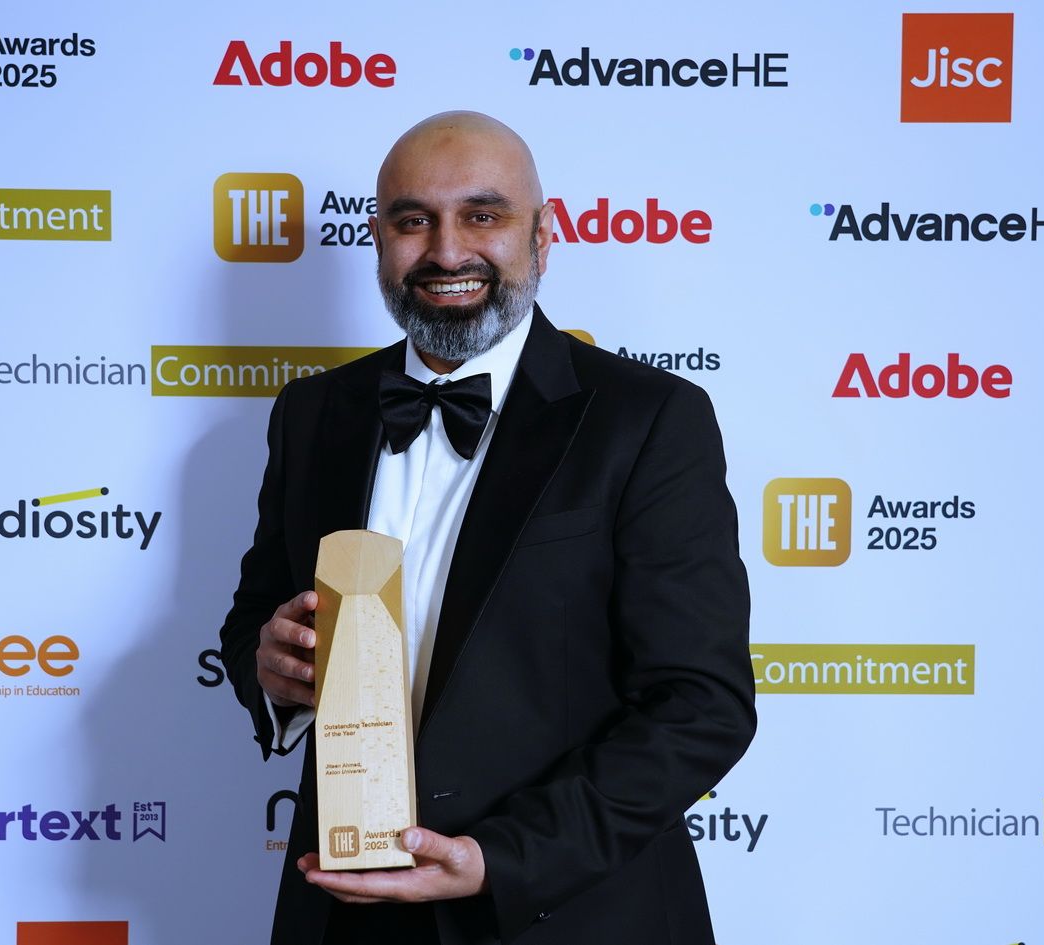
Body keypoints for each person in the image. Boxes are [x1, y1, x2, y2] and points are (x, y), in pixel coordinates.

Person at [219, 111, 755, 945]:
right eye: (411, 220)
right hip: (345, 914)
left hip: (569, 911)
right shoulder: (311, 413)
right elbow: (254, 612)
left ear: (542, 238)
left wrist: (497, 857)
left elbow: (699, 703)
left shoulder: (646, 419)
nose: (444, 251)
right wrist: (272, 670)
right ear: (377, 240)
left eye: (482, 215)